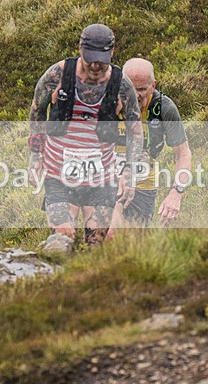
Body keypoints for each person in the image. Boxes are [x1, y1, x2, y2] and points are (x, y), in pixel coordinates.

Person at [29, 24, 143, 247]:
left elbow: (135, 130)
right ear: (80, 49)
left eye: (102, 59)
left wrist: (129, 171)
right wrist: (35, 154)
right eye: (90, 58)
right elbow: (37, 111)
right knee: (63, 238)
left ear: (112, 52)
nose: (96, 66)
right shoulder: (57, 75)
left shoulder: (121, 85)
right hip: (59, 173)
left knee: (95, 245)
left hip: (101, 179)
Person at [109, 58, 191, 233]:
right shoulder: (107, 102)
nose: (135, 95)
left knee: (134, 244)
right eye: (129, 88)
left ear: (153, 86)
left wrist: (176, 193)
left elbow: (183, 154)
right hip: (108, 178)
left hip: (143, 182)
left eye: (142, 89)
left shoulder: (163, 108)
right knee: (109, 233)